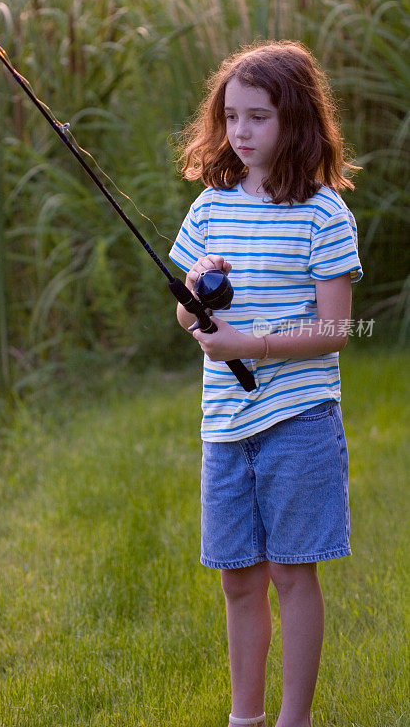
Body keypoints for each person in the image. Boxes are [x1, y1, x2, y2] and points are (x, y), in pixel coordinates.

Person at [169, 41, 363, 727]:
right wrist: (198, 293)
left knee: (291, 572)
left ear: (296, 121)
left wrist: (247, 344)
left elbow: (335, 331)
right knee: (239, 579)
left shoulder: (323, 215)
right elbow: (184, 307)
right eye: (231, 117)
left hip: (298, 419)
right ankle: (243, 718)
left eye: (258, 116)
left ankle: (292, 720)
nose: (241, 132)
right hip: (224, 422)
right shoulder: (210, 208)